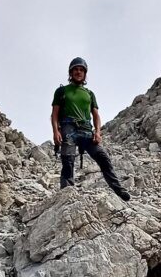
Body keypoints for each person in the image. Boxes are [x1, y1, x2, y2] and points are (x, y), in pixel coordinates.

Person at [51, 57, 130, 200]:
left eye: (81, 70)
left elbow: (96, 115)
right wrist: (56, 131)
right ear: (71, 72)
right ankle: (67, 195)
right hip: (68, 127)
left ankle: (119, 190)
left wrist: (98, 132)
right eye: (75, 69)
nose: (78, 72)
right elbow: (55, 114)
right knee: (67, 160)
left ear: (85, 73)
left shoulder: (89, 94)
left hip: (87, 130)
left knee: (103, 157)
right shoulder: (61, 91)